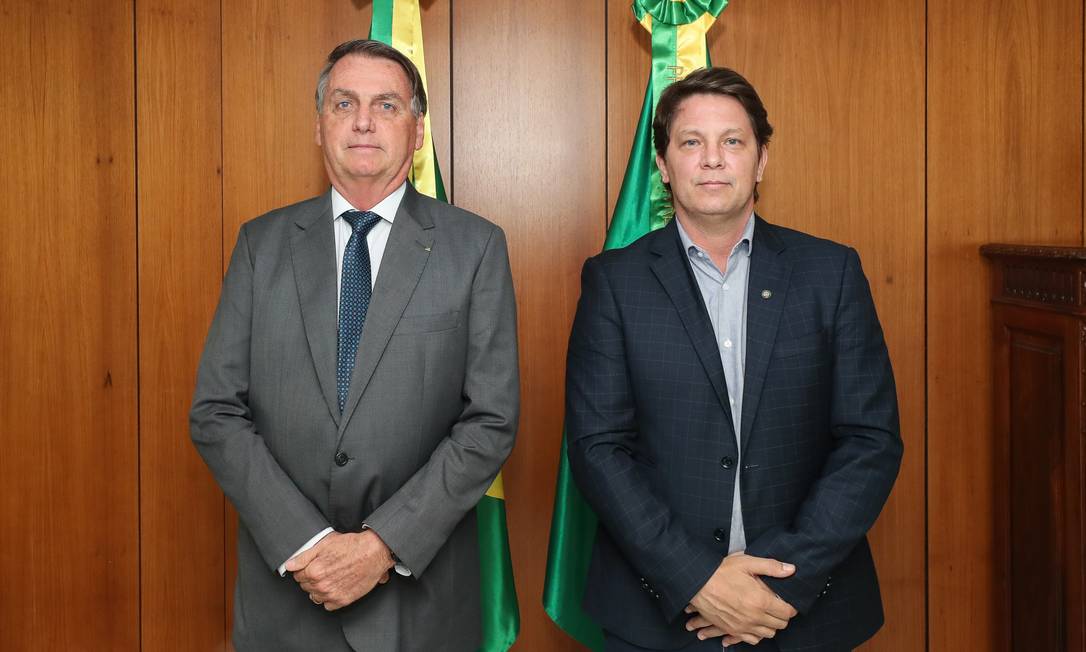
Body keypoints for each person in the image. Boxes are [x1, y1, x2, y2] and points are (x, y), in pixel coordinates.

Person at [190, 39, 518, 651]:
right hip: (286, 600)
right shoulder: (261, 247)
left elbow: (490, 422)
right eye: (344, 103)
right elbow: (216, 411)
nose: (364, 120)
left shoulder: (475, 249)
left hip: (419, 608)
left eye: (387, 105)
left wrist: (380, 545)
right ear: (320, 126)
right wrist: (308, 545)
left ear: (418, 130)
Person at [565, 67, 902, 651]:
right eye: (692, 142)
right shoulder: (614, 282)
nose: (713, 160)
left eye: (733, 141)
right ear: (665, 166)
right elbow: (599, 447)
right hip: (657, 614)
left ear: (761, 158)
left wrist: (777, 588)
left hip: (804, 612)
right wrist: (695, 577)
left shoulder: (832, 273)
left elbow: (869, 440)